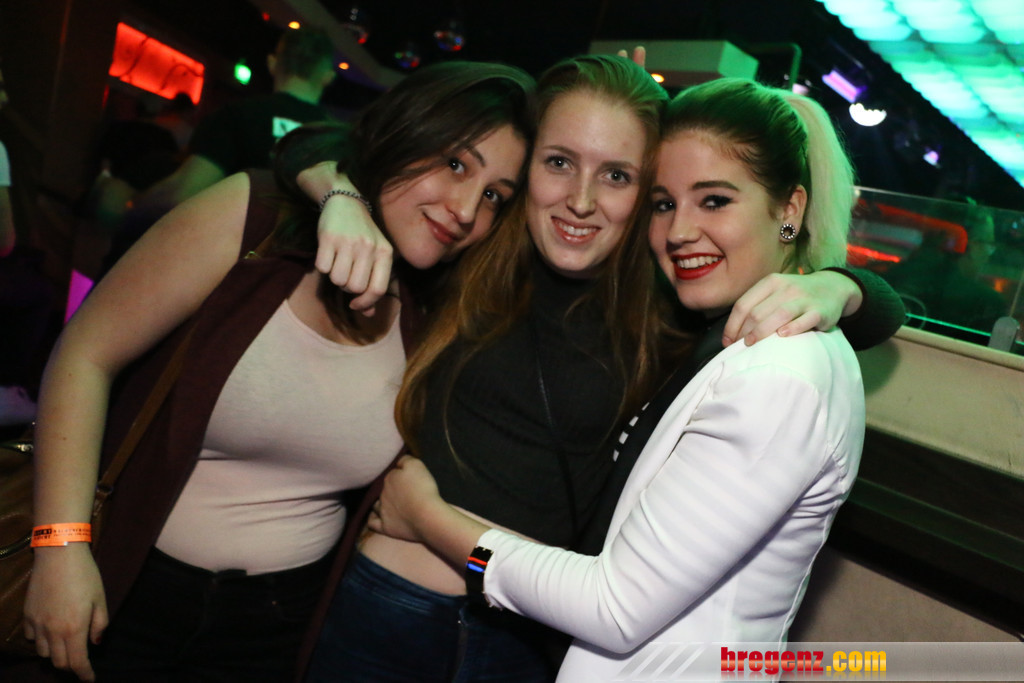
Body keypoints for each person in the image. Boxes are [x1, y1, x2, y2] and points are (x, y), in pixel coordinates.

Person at [304, 57, 900, 682]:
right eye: (559, 162)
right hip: (389, 609)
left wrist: (840, 286)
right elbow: (323, 144)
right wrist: (339, 199)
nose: (581, 200)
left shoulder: (667, 308)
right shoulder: (470, 249)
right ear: (527, 167)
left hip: (527, 635)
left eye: (617, 175)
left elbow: (870, 320)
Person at [20, 61, 535, 683]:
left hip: (280, 625)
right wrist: (61, 547)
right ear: (405, 133)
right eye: (455, 164)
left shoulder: (436, 314)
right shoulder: (255, 220)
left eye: (494, 196)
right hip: (125, 588)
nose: (466, 209)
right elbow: (84, 355)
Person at [105, 26, 338, 271]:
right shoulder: (338, 138)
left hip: (222, 270)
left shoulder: (238, 115)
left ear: (272, 63)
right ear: (328, 77)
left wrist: (129, 206)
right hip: (294, 278)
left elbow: (184, 193)